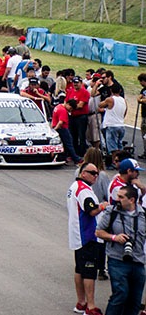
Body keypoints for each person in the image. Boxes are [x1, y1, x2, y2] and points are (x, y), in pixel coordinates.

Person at [95, 184, 146, 315]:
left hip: (138, 261)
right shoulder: (111, 212)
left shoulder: (143, 215)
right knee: (120, 294)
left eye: (121, 197)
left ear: (132, 200)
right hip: (117, 260)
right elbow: (99, 232)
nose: (117, 199)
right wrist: (114, 237)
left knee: (135, 300)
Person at [68, 162, 109, 315]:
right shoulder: (83, 190)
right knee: (89, 272)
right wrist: (103, 206)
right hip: (87, 236)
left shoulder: (74, 186)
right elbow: (91, 210)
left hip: (78, 236)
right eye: (92, 173)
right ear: (83, 173)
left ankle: (81, 302)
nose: (96, 176)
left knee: (79, 269)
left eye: (97, 173)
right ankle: (90, 307)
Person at [99, 83, 127, 154]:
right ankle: (120, 160)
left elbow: (100, 105)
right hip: (121, 124)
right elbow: (125, 112)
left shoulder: (110, 99)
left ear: (111, 90)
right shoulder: (123, 100)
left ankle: (113, 160)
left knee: (112, 147)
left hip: (112, 125)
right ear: (120, 90)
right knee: (119, 144)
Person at [54, 100, 83, 165]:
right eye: (70, 108)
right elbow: (60, 122)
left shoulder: (58, 107)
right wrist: (55, 130)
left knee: (64, 144)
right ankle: (76, 159)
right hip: (62, 129)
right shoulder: (63, 110)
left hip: (57, 128)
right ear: (68, 104)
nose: (70, 110)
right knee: (69, 144)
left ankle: (63, 157)